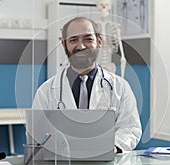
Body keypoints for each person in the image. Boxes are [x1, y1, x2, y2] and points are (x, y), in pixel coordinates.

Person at [32, 16, 142, 153]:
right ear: (64, 45)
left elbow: (131, 127)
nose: (81, 46)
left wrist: (112, 147)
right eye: (73, 40)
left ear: (99, 41)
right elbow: (37, 134)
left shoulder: (120, 87)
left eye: (88, 39)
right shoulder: (46, 91)